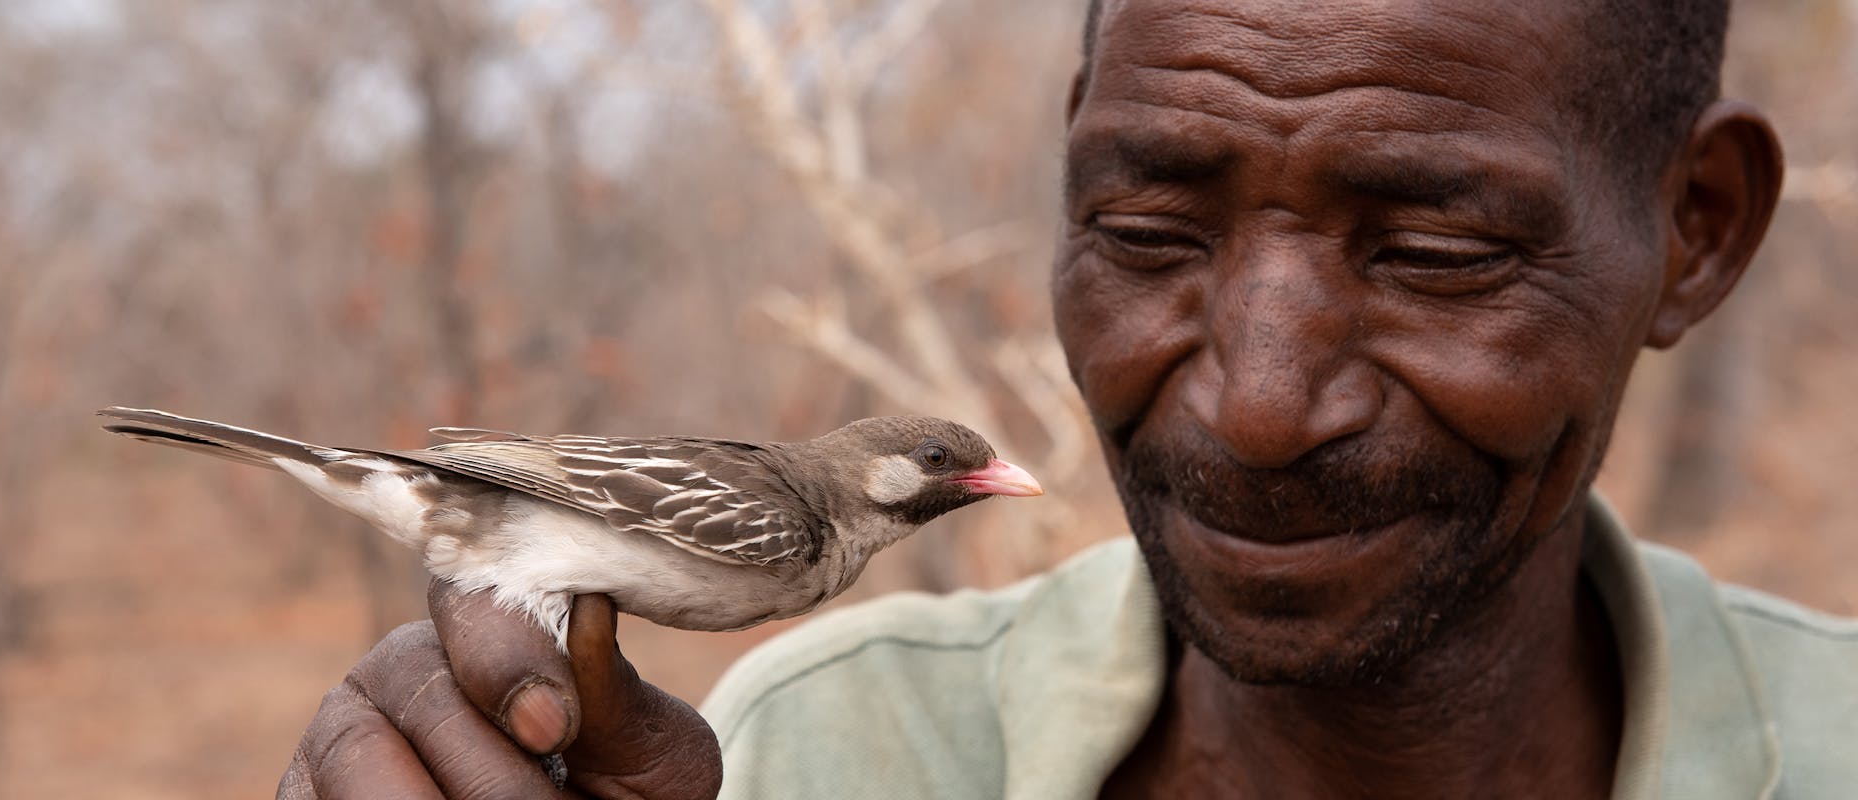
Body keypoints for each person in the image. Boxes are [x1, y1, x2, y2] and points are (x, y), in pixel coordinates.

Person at [277, 0, 1858, 797]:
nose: (1254, 404)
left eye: (1436, 251)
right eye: (1146, 232)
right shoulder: (804, 758)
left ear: (1698, 227)